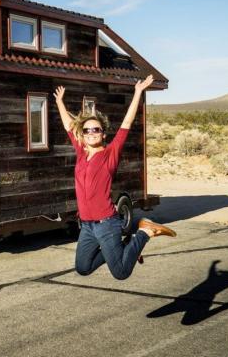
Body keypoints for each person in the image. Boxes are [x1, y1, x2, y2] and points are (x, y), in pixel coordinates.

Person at [53, 75, 175, 280]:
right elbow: (68, 126)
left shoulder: (110, 153)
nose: (91, 132)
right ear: (82, 134)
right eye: (87, 130)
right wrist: (59, 102)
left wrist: (138, 92)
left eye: (96, 129)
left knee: (120, 272)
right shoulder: (81, 152)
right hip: (87, 225)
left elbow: (127, 122)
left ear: (103, 134)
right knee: (83, 268)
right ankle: (128, 247)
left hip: (107, 223)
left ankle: (144, 233)